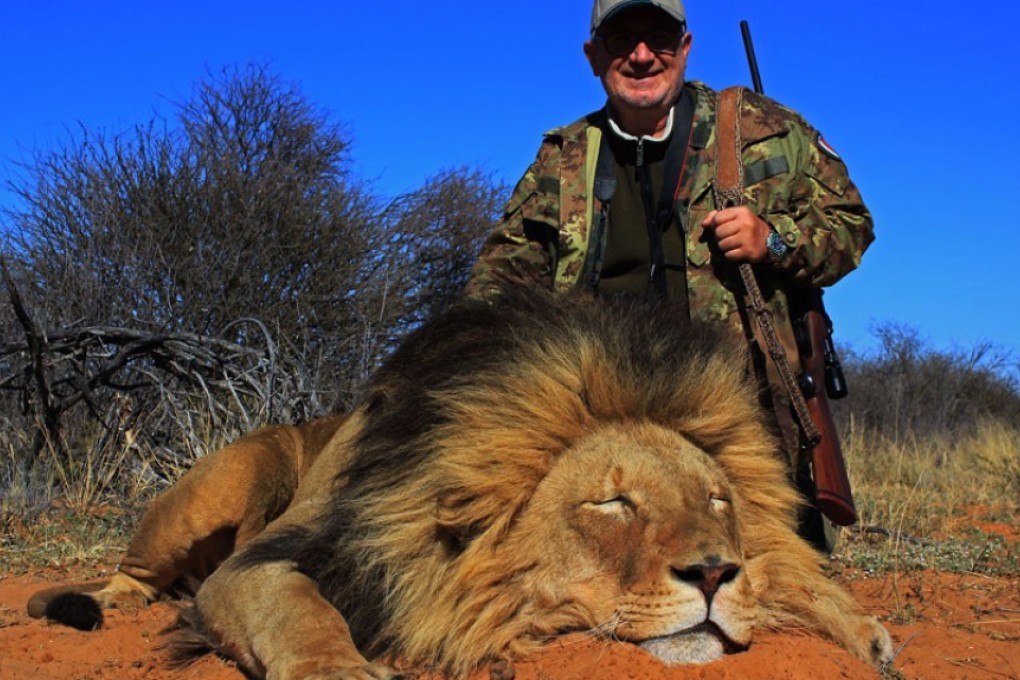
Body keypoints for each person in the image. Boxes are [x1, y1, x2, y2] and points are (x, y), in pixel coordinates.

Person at [464, 0, 873, 549]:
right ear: (592, 56)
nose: (639, 56)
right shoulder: (559, 160)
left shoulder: (765, 130)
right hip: (601, 421)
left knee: (776, 580)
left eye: (658, 38)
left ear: (684, 48)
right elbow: (497, 288)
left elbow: (852, 226)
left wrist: (771, 240)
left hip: (737, 425)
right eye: (619, 40)